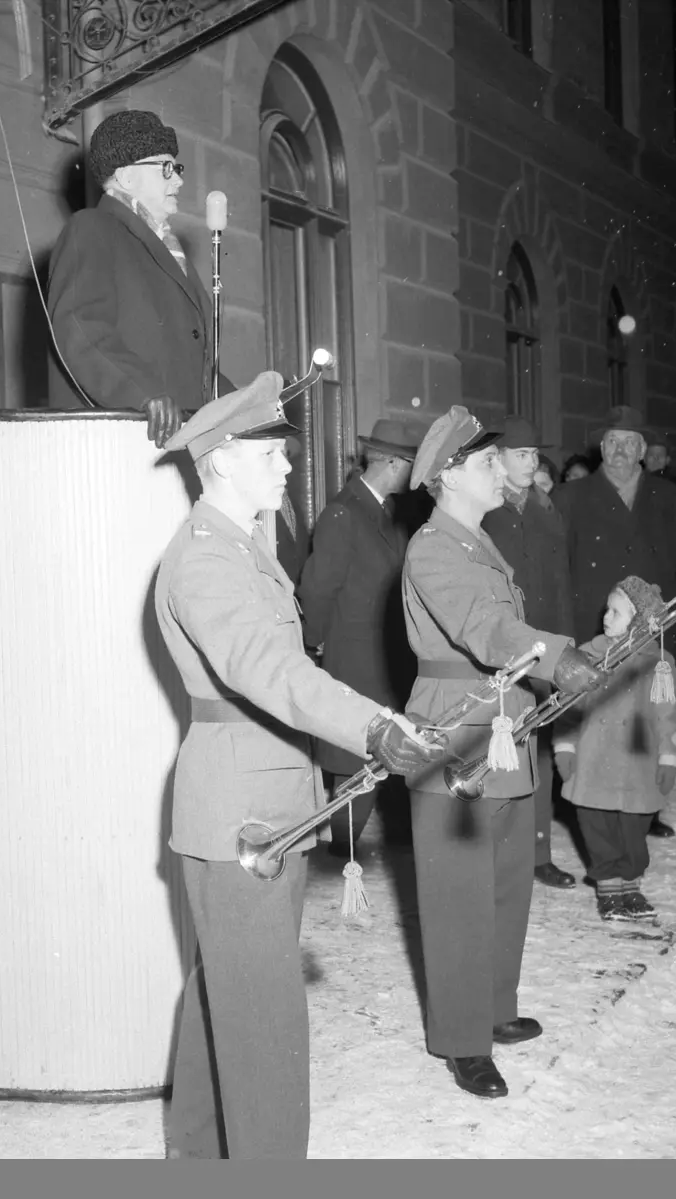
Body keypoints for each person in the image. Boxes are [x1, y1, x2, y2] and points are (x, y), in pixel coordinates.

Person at [153, 372, 440, 1159]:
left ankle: (196, 1155)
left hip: (266, 801)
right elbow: (268, 670)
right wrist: (371, 722)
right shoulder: (208, 560)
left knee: (229, 995)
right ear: (219, 462)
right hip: (238, 812)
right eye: (271, 453)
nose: (288, 468)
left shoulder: (248, 549)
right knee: (265, 1021)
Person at [400, 406, 601, 1101]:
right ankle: (462, 1037)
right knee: (459, 889)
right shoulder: (433, 547)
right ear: (449, 475)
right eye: (487, 461)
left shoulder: (477, 541)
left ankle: (494, 1005)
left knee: (508, 877)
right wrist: (553, 653)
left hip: (503, 724)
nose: (504, 468)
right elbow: (486, 627)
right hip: (456, 730)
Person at [47, 110, 215, 448]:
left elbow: (201, 366)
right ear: (125, 178)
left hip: (182, 442)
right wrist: (142, 393)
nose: (178, 180)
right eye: (166, 168)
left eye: (177, 168)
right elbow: (80, 328)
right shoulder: (92, 229)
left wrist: (249, 409)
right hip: (127, 440)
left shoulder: (169, 251)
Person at [297, 417, 425, 856]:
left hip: (384, 655)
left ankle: (351, 843)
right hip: (354, 658)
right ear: (393, 463)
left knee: (379, 753)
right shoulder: (343, 512)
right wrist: (313, 643)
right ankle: (343, 849)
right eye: (413, 465)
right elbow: (316, 589)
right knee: (357, 758)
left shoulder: (387, 511)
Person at [554, 406, 676, 836]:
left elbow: (673, 562)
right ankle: (594, 802)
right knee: (598, 716)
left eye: (630, 442)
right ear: (600, 447)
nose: (621, 450)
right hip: (598, 625)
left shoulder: (668, 497)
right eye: (612, 441)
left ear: (644, 450)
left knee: (647, 712)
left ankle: (646, 804)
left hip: (649, 627)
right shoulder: (571, 497)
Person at [553, 577, 676, 922]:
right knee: (597, 827)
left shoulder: (658, 663)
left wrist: (669, 756)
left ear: (640, 620)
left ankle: (631, 884)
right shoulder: (587, 656)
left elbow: (669, 713)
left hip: (636, 767)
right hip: (593, 763)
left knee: (633, 830)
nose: (606, 617)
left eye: (616, 611)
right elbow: (568, 710)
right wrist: (565, 749)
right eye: (607, 609)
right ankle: (609, 888)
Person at [482, 417, 576, 889]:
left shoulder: (544, 508)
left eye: (535, 455)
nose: (532, 463)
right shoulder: (483, 510)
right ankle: (498, 852)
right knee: (499, 749)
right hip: (498, 648)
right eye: (522, 455)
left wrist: (565, 644)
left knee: (535, 751)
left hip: (543, 647)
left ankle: (538, 852)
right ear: (496, 460)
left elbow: (561, 583)